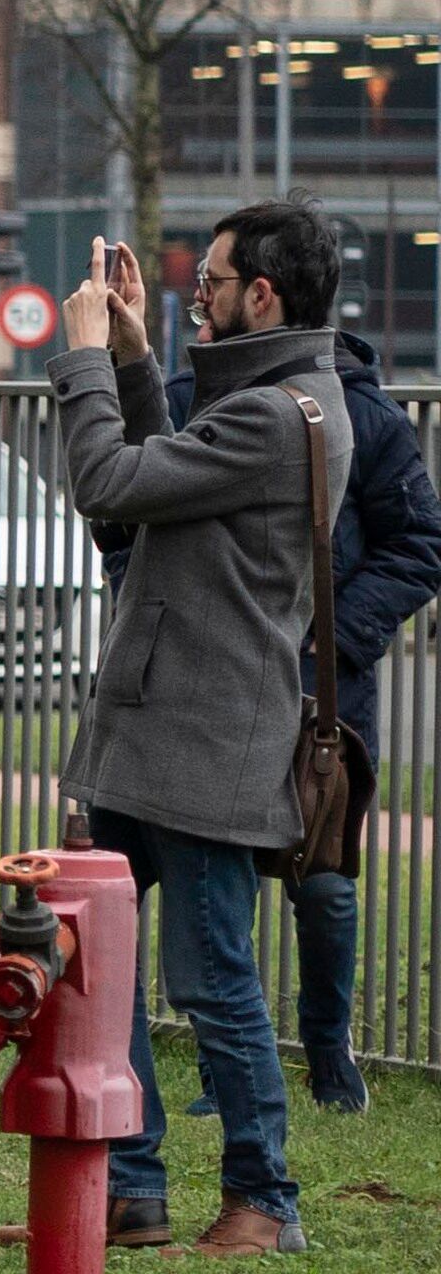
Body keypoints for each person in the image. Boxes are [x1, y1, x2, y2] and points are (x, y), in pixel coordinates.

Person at [36, 212, 347, 1256]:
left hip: (207, 743)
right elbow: (155, 481)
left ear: (263, 294)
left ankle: (265, 1198)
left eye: (210, 279)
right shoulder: (266, 401)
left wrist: (86, 356)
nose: (195, 293)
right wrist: (133, 359)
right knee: (98, 965)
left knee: (213, 979)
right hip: (158, 725)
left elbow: (107, 483)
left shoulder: (276, 416)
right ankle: (133, 1189)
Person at [141, 307, 441, 1115]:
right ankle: (224, 1072)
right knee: (217, 878)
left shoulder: (364, 414)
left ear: (269, 297)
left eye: (217, 287)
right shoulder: (190, 396)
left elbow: (420, 543)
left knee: (325, 879)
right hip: (217, 681)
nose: (205, 310)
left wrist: (332, 636)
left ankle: (328, 1053)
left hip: (322, 693)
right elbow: (138, 521)